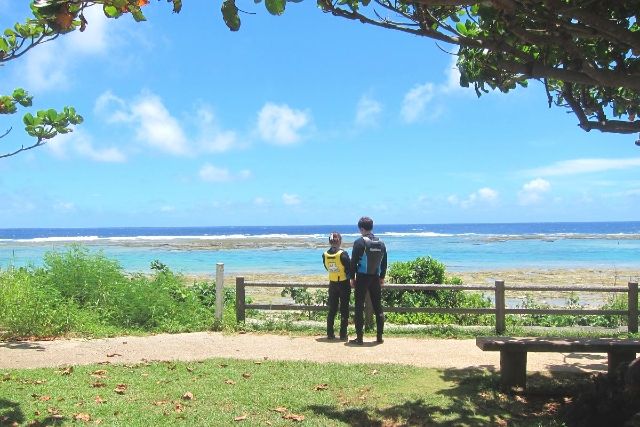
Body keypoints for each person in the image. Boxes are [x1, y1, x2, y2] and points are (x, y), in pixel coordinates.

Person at [349, 216, 387, 345]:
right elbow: (384, 262)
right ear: (371, 227)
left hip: (362, 277)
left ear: (361, 228)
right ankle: (379, 337)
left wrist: (351, 278)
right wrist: (382, 277)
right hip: (375, 278)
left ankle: (359, 338)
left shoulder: (359, 242)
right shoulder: (381, 242)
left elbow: (353, 262)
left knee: (359, 307)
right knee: (378, 306)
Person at [322, 232, 352, 340]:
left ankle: (330, 333)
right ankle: (343, 334)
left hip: (332, 283)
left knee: (332, 309)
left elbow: (326, 267)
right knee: (344, 309)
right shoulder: (343, 254)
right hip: (343, 283)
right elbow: (349, 268)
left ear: (329, 242)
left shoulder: (325, 254)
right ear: (340, 241)